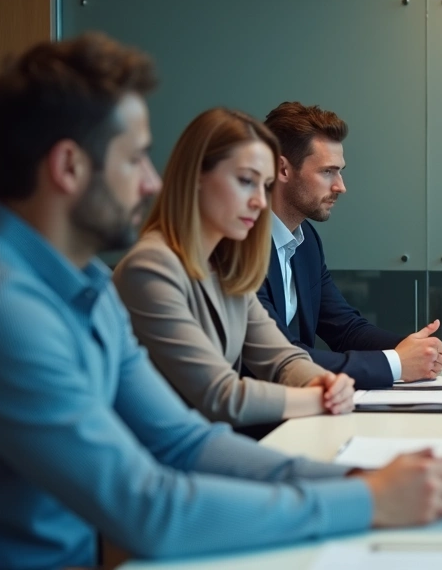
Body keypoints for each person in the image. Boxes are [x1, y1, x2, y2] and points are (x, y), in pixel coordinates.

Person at [0, 33, 442, 569]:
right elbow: (147, 508)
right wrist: (366, 500)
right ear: (68, 167)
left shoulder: (85, 285)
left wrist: (365, 480)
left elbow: (182, 440)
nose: (152, 181)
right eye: (134, 159)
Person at [113, 107, 357, 427]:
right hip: (169, 460)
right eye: (246, 181)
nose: (259, 201)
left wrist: (320, 381)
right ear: (196, 176)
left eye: (265, 185)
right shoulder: (151, 268)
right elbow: (220, 396)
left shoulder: (227, 266)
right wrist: (320, 396)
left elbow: (282, 358)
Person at [257, 101, 442, 389]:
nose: (341, 186)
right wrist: (396, 362)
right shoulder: (241, 246)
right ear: (282, 169)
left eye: (340, 171)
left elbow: (345, 329)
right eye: (327, 172)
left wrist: (412, 348)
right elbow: (283, 357)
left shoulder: (306, 242)